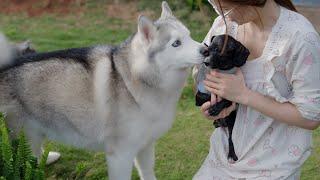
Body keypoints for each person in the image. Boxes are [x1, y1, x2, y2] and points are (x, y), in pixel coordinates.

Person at [192, 0, 320, 179]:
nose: (223, 15)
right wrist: (218, 104)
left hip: (275, 166)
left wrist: (244, 95)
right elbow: (200, 75)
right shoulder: (224, 26)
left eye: (226, 8)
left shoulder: (300, 38)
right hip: (223, 158)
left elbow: (310, 117)